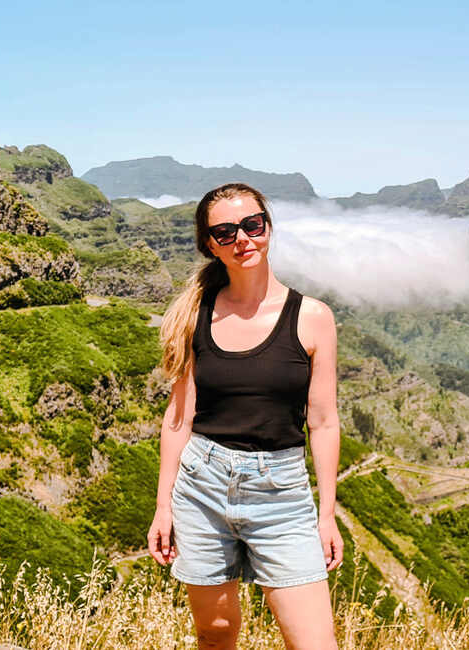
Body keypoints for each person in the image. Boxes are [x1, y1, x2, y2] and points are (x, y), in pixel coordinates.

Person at [149, 182, 343, 650]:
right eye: (225, 231)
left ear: (268, 228)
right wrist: (163, 506)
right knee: (215, 634)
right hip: (202, 487)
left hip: (281, 494)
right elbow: (179, 418)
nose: (243, 239)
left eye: (252, 225)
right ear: (210, 245)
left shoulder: (312, 317)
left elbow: (323, 421)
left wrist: (327, 513)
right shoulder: (195, 315)